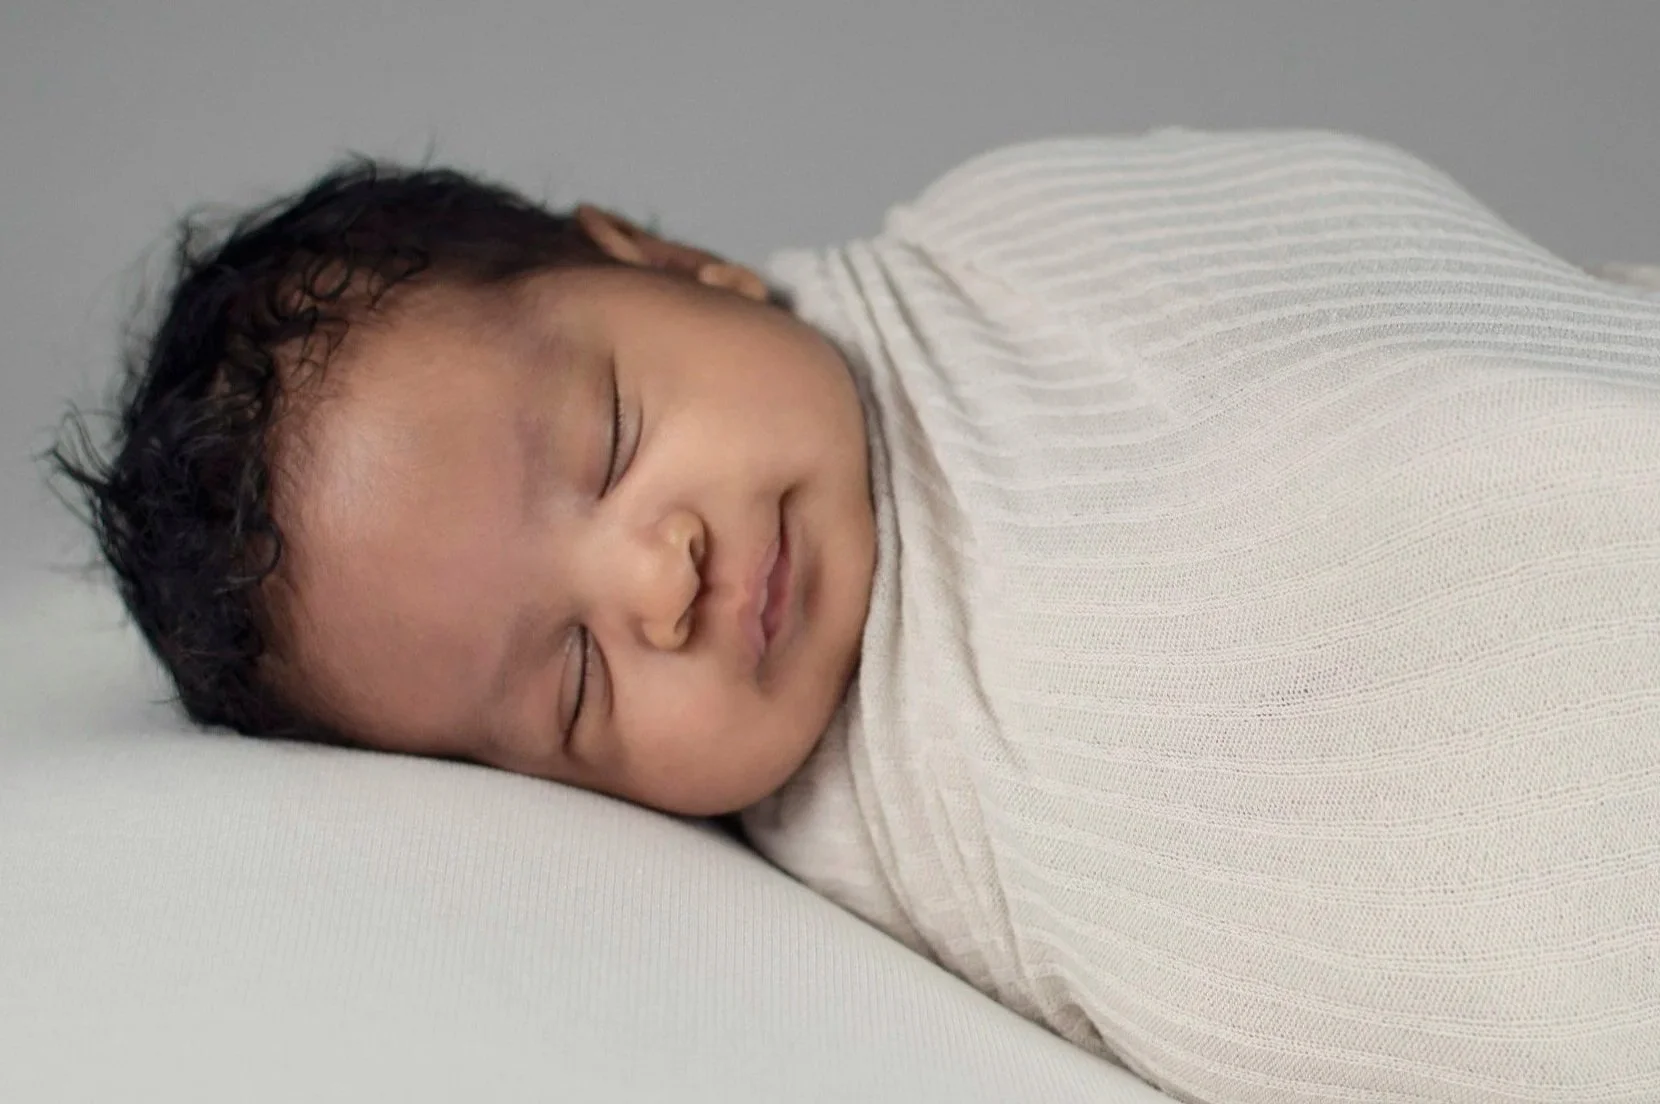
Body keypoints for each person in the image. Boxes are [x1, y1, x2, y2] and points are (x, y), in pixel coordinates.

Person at [55, 128, 1660, 1103]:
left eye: (611, 441)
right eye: (571, 684)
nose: (657, 578)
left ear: (670, 260)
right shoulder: (877, 827)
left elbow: (1391, 279)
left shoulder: (1022, 239)